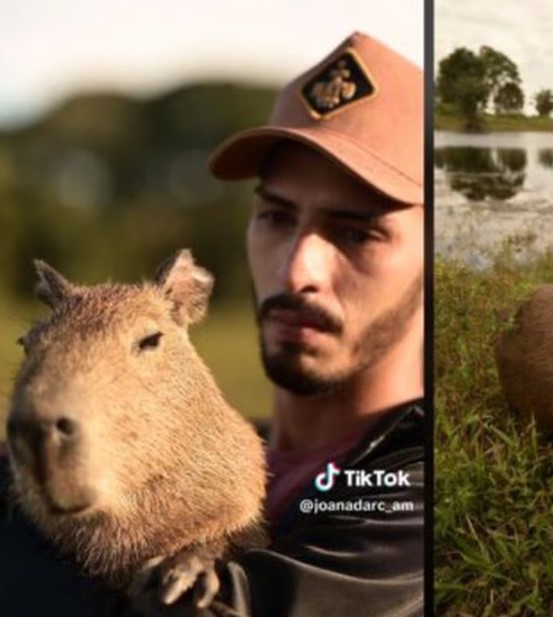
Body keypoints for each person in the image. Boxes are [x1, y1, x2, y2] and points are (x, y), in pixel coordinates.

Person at [0, 31, 424, 617]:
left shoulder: (421, 494)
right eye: (276, 215)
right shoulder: (212, 443)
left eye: (358, 232)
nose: (298, 267)